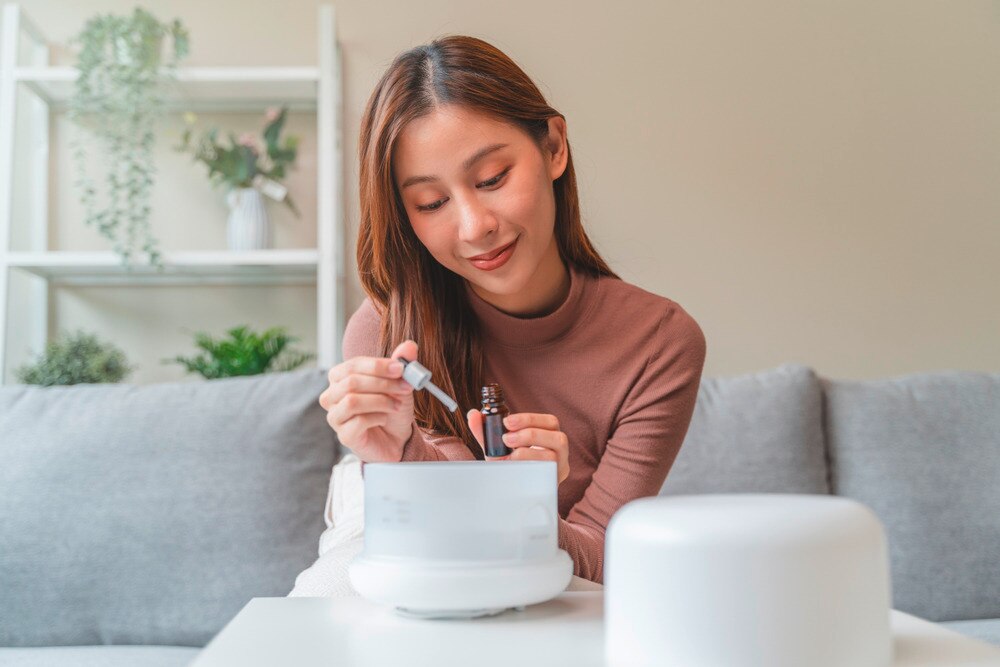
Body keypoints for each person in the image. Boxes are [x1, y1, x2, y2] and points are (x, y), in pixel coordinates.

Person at [318, 35, 707, 584]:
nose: (476, 226)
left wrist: (523, 508)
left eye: (492, 179)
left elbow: (602, 565)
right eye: (431, 203)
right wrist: (403, 452)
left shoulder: (659, 343)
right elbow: (420, 551)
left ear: (553, 147)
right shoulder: (386, 330)